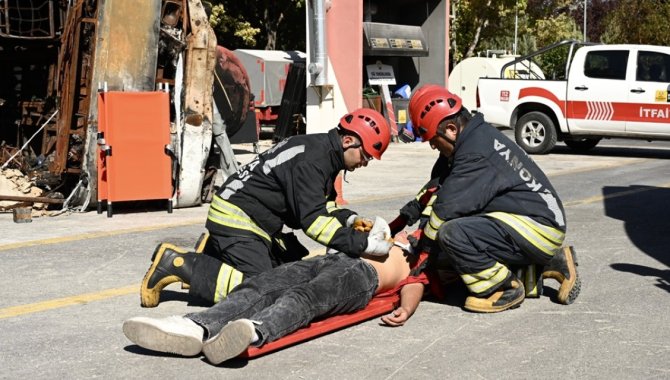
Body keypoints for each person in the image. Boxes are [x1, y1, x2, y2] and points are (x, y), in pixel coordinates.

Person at [140, 108, 394, 308]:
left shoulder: (323, 152)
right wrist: (363, 245)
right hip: (238, 218)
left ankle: (212, 256)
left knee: (287, 273)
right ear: (349, 140)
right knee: (264, 291)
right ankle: (177, 263)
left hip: (254, 219)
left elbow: (321, 204)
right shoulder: (313, 161)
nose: (365, 163)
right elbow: (313, 221)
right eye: (366, 156)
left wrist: (351, 221)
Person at [397, 85, 579, 313]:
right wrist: (407, 215)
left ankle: (505, 288)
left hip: (537, 227)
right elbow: (438, 186)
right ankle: (553, 263)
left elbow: (445, 210)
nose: (433, 146)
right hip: (534, 222)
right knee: (452, 252)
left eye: (433, 141)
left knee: (452, 236)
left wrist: (421, 254)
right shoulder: (472, 138)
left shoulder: (475, 154)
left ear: (451, 129)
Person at [123, 235, 429, 365]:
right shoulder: (406, 227)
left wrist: (406, 308)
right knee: (261, 286)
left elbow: (417, 281)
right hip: (330, 259)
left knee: (306, 297)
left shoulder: (428, 250)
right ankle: (194, 326)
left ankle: (254, 330)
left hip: (362, 277)